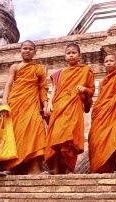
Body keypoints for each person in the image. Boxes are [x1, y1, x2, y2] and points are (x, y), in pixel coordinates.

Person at [0, 40, 48, 176]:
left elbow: (43, 88)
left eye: (30, 49)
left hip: (32, 105)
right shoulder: (15, 67)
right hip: (16, 104)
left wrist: (46, 105)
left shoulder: (38, 68)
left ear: (34, 52)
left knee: (35, 133)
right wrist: (4, 103)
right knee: (14, 135)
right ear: (20, 50)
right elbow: (8, 85)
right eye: (25, 48)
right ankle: (11, 168)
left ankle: (35, 169)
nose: (27, 51)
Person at [45, 43, 95, 174]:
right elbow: (54, 89)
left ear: (80, 55)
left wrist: (84, 89)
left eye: (74, 53)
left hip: (74, 106)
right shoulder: (60, 73)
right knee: (56, 137)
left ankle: (68, 168)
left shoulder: (85, 70)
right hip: (59, 106)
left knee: (70, 138)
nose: (71, 55)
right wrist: (50, 103)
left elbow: (91, 90)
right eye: (69, 53)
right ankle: (55, 168)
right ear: (65, 56)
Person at [88, 54, 116, 173]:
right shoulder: (102, 82)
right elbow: (101, 97)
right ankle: (99, 167)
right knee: (95, 139)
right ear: (103, 65)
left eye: (111, 61)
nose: (108, 63)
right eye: (106, 61)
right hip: (101, 112)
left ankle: (112, 167)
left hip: (114, 111)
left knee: (113, 138)